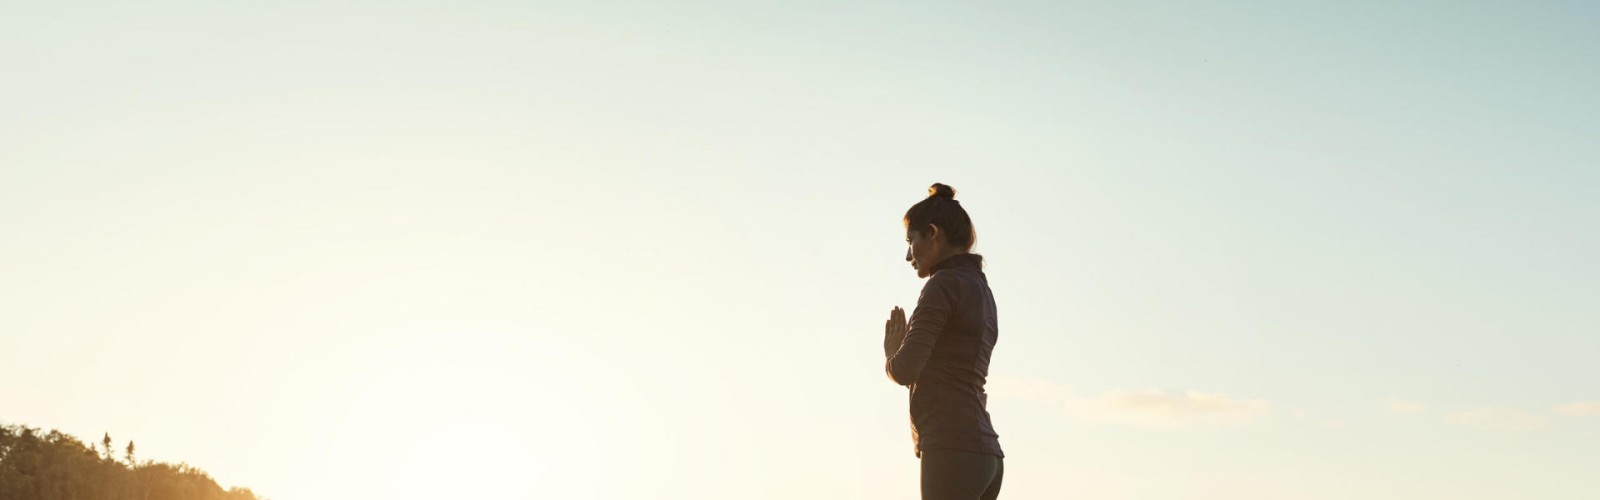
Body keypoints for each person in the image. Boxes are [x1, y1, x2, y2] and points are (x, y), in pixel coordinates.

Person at [884, 183, 1005, 500]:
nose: (908, 254)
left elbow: (906, 369)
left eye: (911, 241)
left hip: (952, 447)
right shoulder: (980, 287)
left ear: (933, 234)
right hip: (986, 455)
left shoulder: (943, 284)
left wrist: (891, 357)